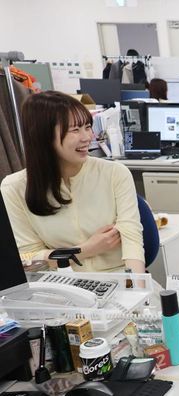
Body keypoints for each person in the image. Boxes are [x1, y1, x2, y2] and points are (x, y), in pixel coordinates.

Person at [1, 91, 144, 273]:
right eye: (75, 130)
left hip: (119, 276)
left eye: (87, 127)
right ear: (43, 136)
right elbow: (28, 258)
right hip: (63, 282)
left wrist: (136, 286)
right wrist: (85, 250)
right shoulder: (15, 187)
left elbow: (132, 243)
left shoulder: (114, 173)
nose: (87, 137)